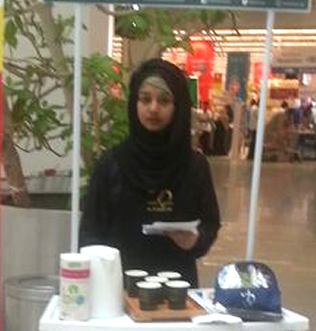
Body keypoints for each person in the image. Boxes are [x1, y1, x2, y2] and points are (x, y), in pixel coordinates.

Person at [80, 58, 221, 287]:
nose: (153, 108)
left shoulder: (194, 166)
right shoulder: (112, 164)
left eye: (164, 100)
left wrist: (195, 240)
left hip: (177, 288)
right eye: (145, 99)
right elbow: (90, 233)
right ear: (134, 104)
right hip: (120, 289)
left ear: (178, 107)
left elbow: (210, 223)